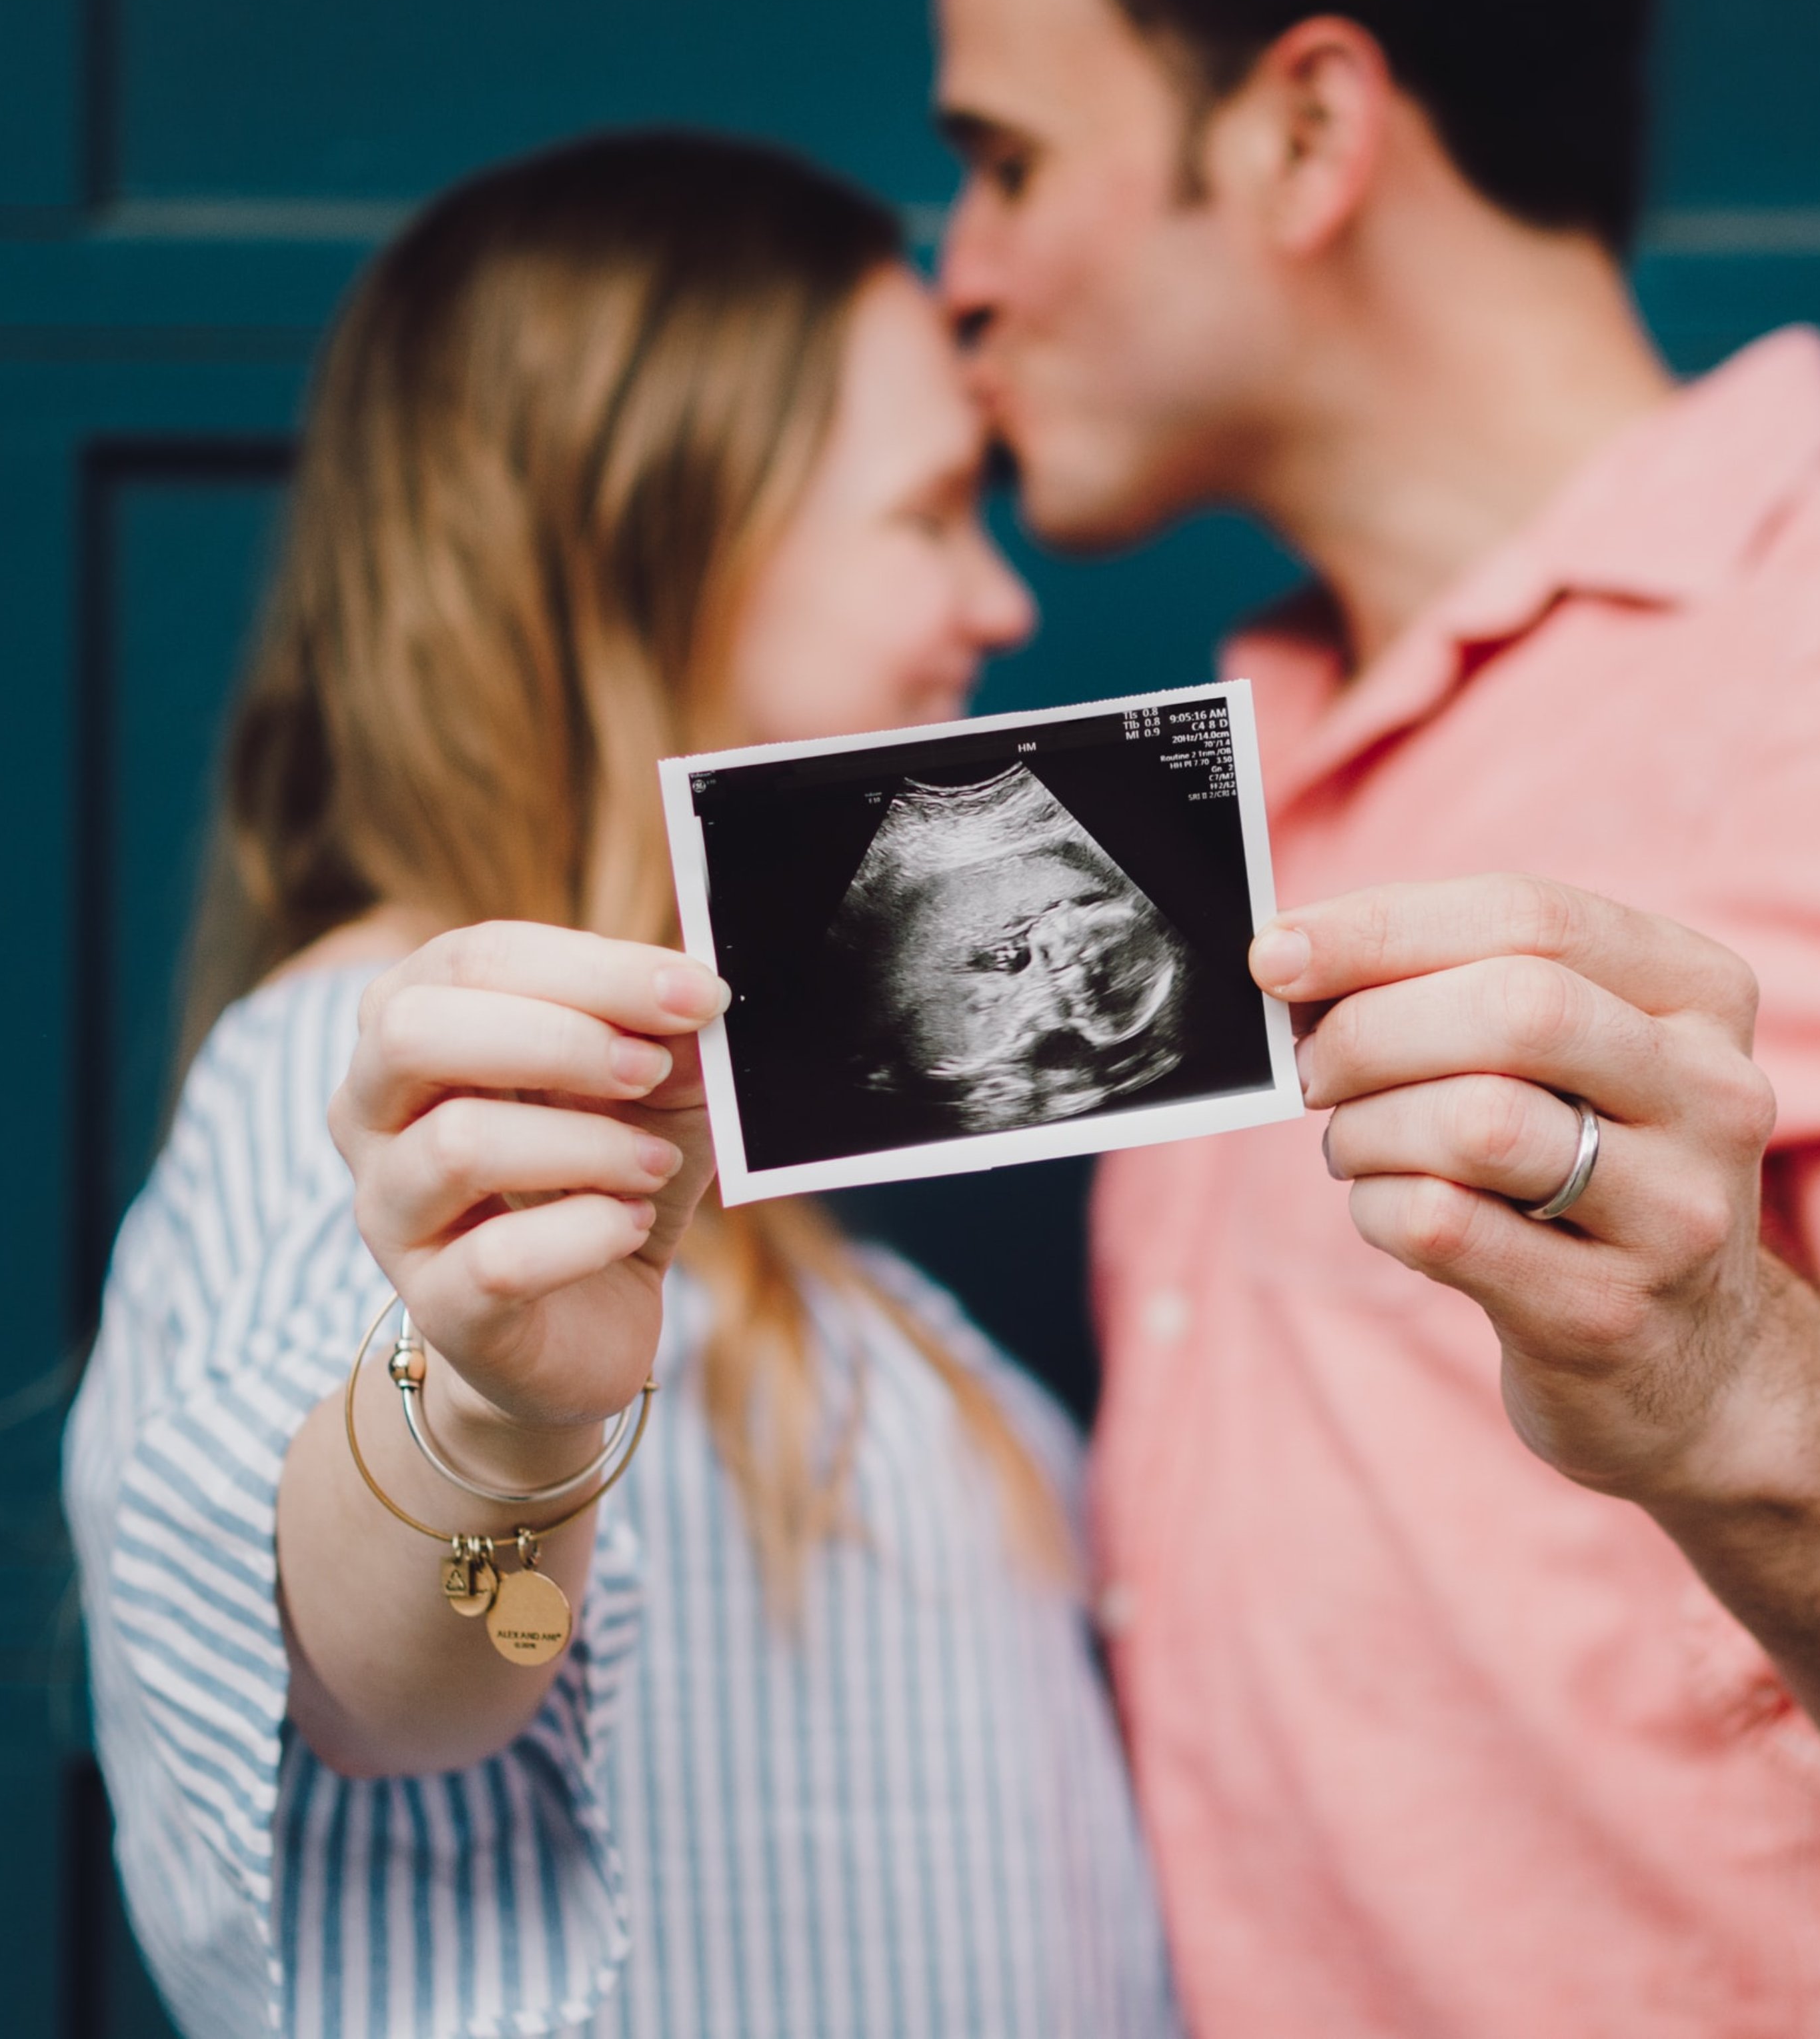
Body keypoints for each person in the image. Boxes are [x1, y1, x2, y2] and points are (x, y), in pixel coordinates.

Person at [932, 0, 1820, 2033]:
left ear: (1308, 133)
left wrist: (1718, 1373)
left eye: (1007, 163)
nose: (960, 277)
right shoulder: (1224, 770)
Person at [63, 131, 1180, 2039]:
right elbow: (379, 1682)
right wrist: (497, 1416)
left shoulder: (739, 1195)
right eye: (925, 515)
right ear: (643, 545)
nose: (998, 606)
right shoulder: (375, 1101)